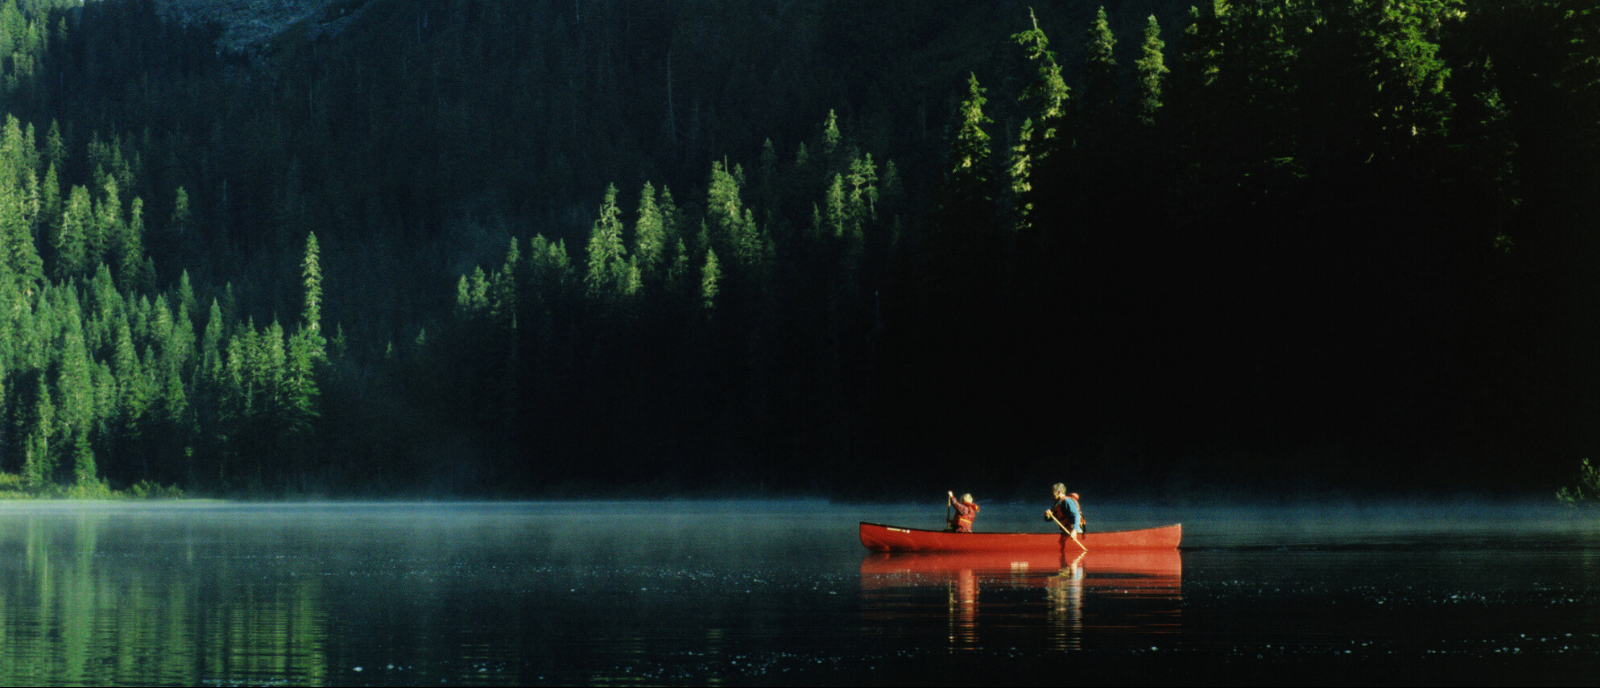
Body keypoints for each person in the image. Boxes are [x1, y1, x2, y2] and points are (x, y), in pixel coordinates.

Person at [1045, 483, 1086, 550]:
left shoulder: (1067, 501)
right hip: (1066, 532)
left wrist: (1074, 531)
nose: (1051, 494)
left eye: (1052, 492)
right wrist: (1047, 516)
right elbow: (1050, 519)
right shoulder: (1056, 504)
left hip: (1073, 532)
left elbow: (1076, 515)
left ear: (1059, 492)